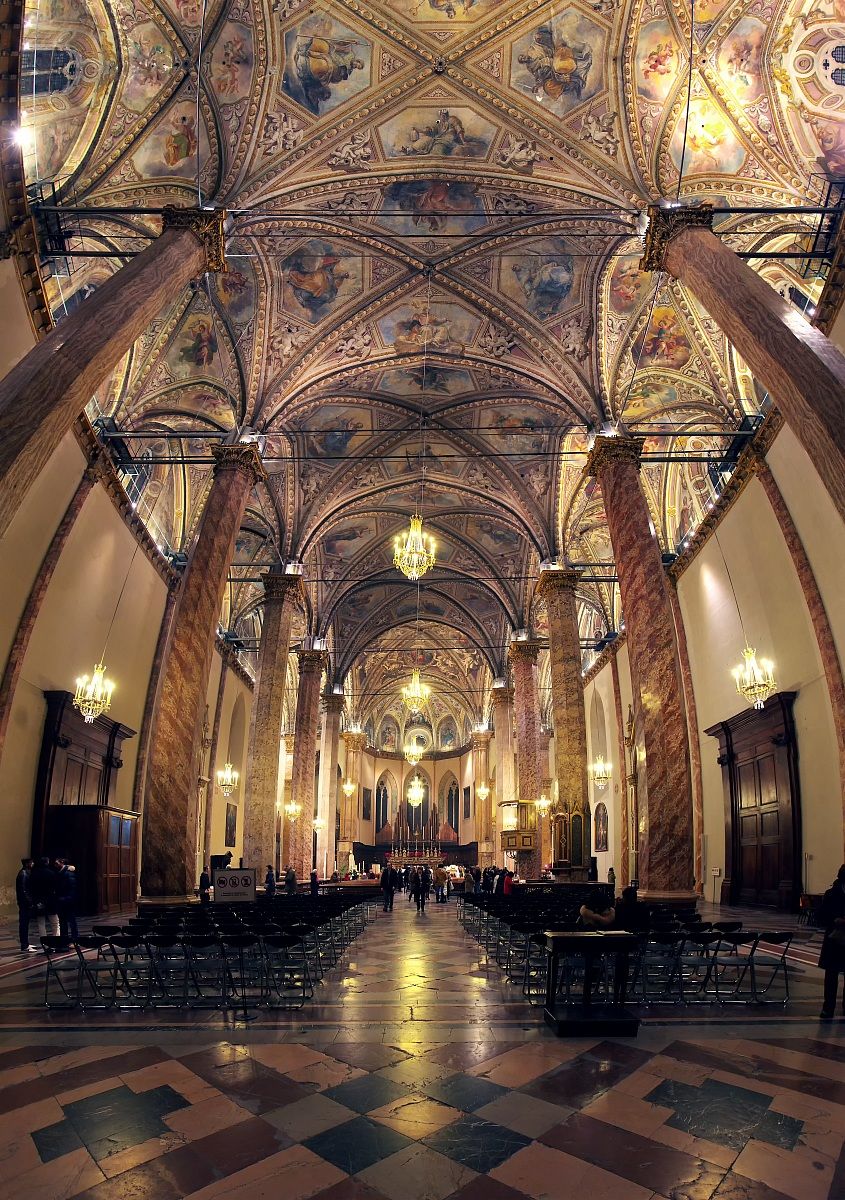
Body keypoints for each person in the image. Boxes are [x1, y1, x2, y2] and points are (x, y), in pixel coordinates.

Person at [819, 865, 845, 1018]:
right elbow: (821, 916)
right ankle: (828, 1007)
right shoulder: (831, 894)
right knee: (831, 975)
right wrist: (835, 920)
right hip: (834, 938)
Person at [29, 856, 59, 940]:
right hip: (50, 900)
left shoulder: (34, 874)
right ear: (47, 862)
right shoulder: (51, 873)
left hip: (39, 901)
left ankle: (44, 943)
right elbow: (56, 887)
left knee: (41, 923)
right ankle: (56, 940)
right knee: (55, 923)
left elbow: (31, 888)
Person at [55, 860, 79, 946]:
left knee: (72, 922)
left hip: (68, 902)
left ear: (62, 862)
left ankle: (75, 940)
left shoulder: (69, 873)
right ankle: (64, 940)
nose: (55, 865)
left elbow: (72, 888)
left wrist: (66, 898)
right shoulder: (59, 873)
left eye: (57, 863)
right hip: (61, 901)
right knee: (62, 922)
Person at [16, 858, 37, 952]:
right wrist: (30, 902)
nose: (33, 864)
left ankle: (26, 943)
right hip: (24, 904)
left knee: (25, 924)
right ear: (27, 864)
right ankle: (24, 945)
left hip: (24, 903)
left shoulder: (24, 873)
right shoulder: (23, 874)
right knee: (24, 924)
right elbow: (24, 891)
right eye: (31, 863)